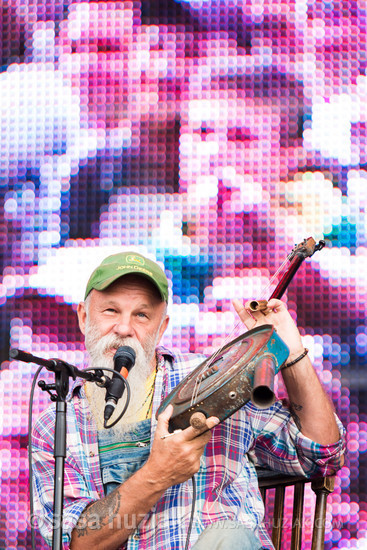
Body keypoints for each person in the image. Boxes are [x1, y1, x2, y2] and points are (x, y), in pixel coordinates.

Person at [31, 250, 345, 550]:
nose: (124, 328)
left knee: (228, 536)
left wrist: (291, 353)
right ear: (84, 317)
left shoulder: (213, 379)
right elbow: (76, 541)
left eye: (142, 315)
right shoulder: (58, 421)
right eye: (111, 310)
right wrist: (157, 474)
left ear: (162, 327)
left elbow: (322, 454)